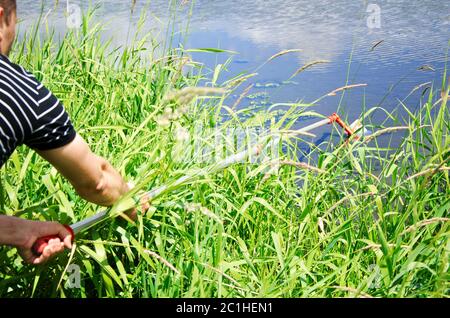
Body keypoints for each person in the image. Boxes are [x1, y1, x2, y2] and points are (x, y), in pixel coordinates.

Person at [0, 0, 148, 265]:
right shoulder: (24, 93)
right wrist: (130, 200)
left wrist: (19, 232)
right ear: (1, 18)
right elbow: (97, 183)